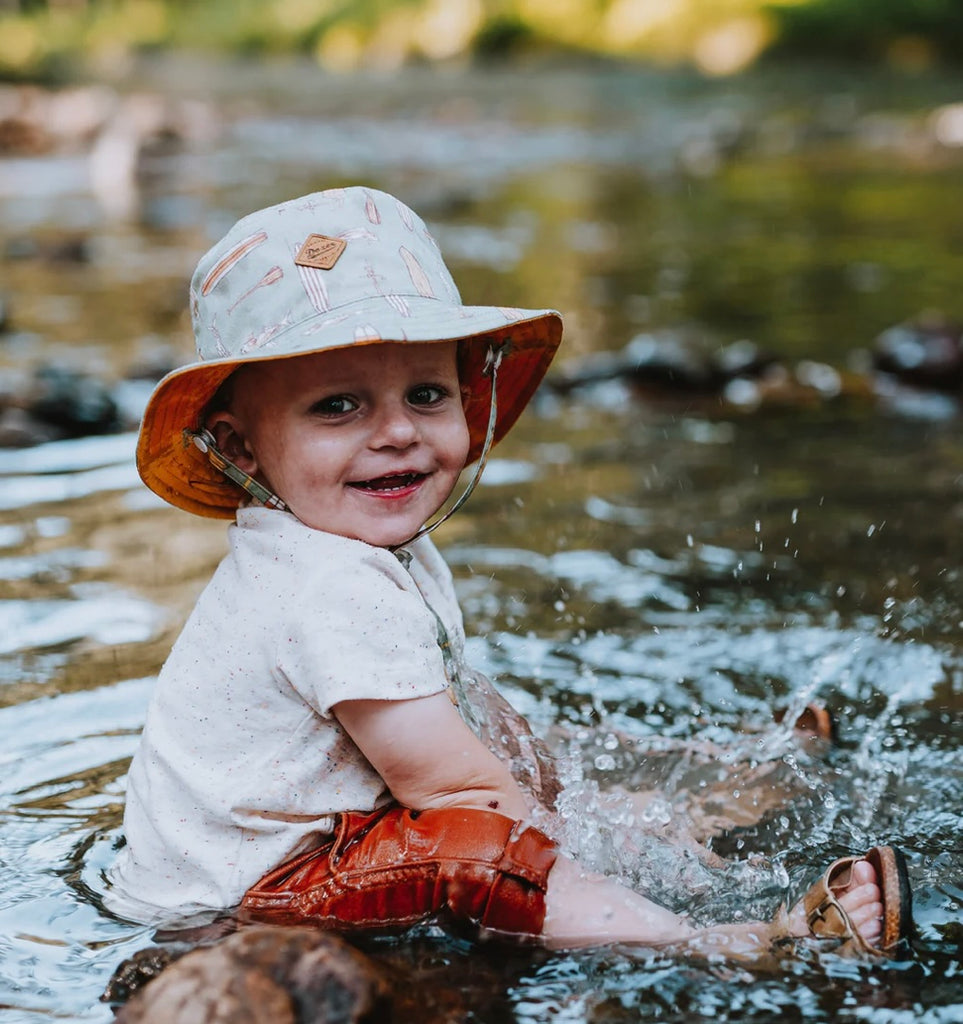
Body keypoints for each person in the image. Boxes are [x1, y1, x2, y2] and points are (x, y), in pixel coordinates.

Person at [106, 186, 912, 961]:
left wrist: (565, 784)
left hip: (316, 840)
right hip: (247, 893)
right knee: (480, 843)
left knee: (514, 735)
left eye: (424, 394)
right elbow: (462, 791)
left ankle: (710, 793)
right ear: (241, 446)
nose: (396, 434)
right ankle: (724, 943)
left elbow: (463, 716)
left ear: (466, 398)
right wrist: (584, 858)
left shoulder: (351, 542)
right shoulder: (325, 587)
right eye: (336, 407)